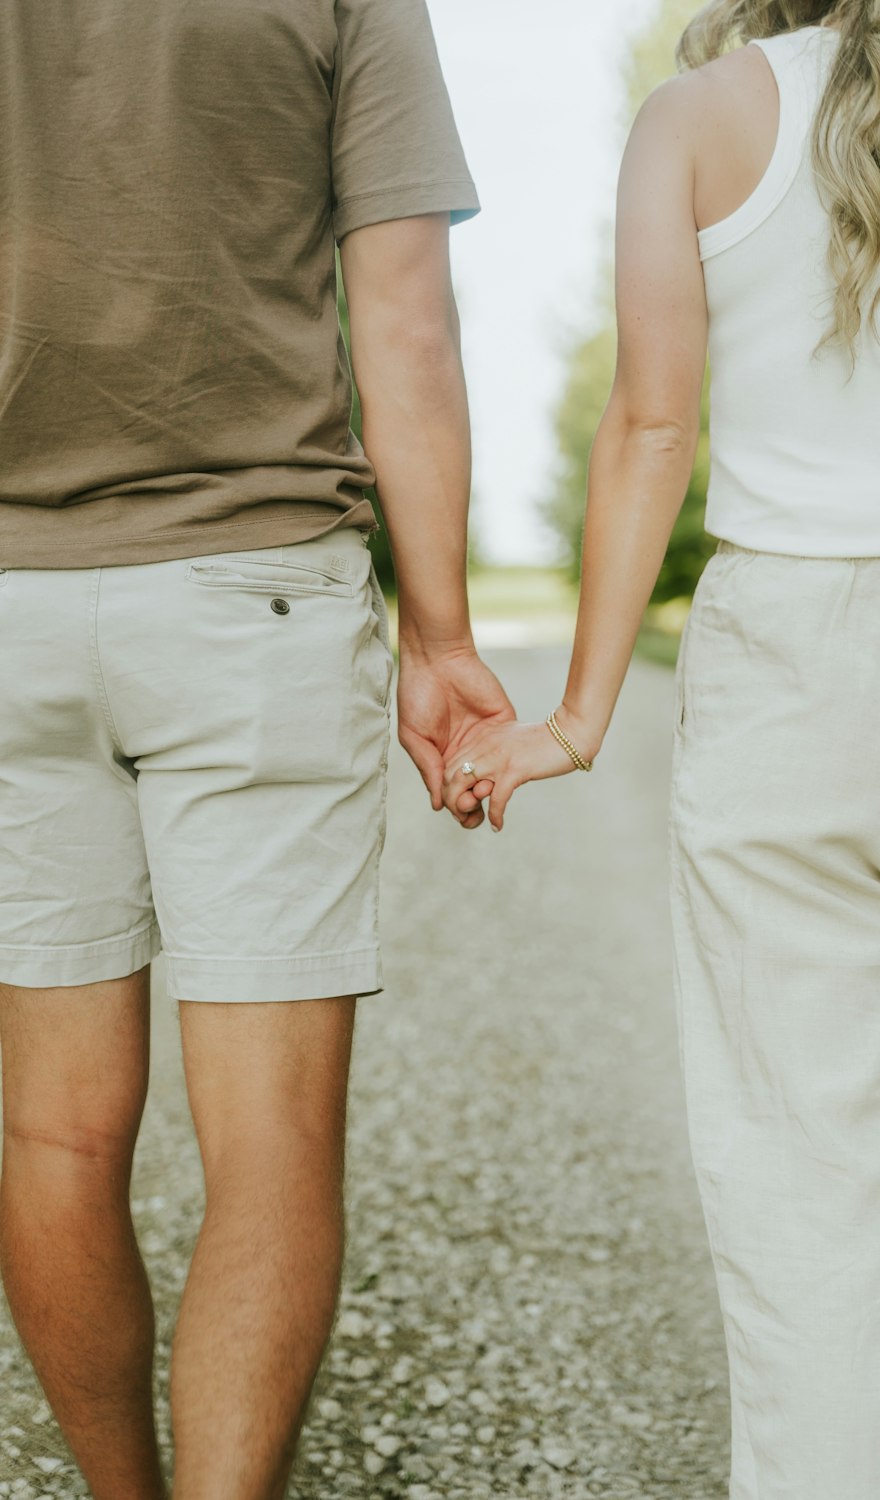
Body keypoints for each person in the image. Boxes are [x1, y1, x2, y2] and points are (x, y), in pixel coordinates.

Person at [449, 2, 880, 1495]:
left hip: (786, 668)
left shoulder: (698, 121)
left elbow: (648, 425)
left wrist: (574, 714)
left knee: (801, 1178)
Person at [0, 1, 511, 1496]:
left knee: (53, 1131)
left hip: (9, 603)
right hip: (256, 590)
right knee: (270, 1148)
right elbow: (404, 316)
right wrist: (440, 634)